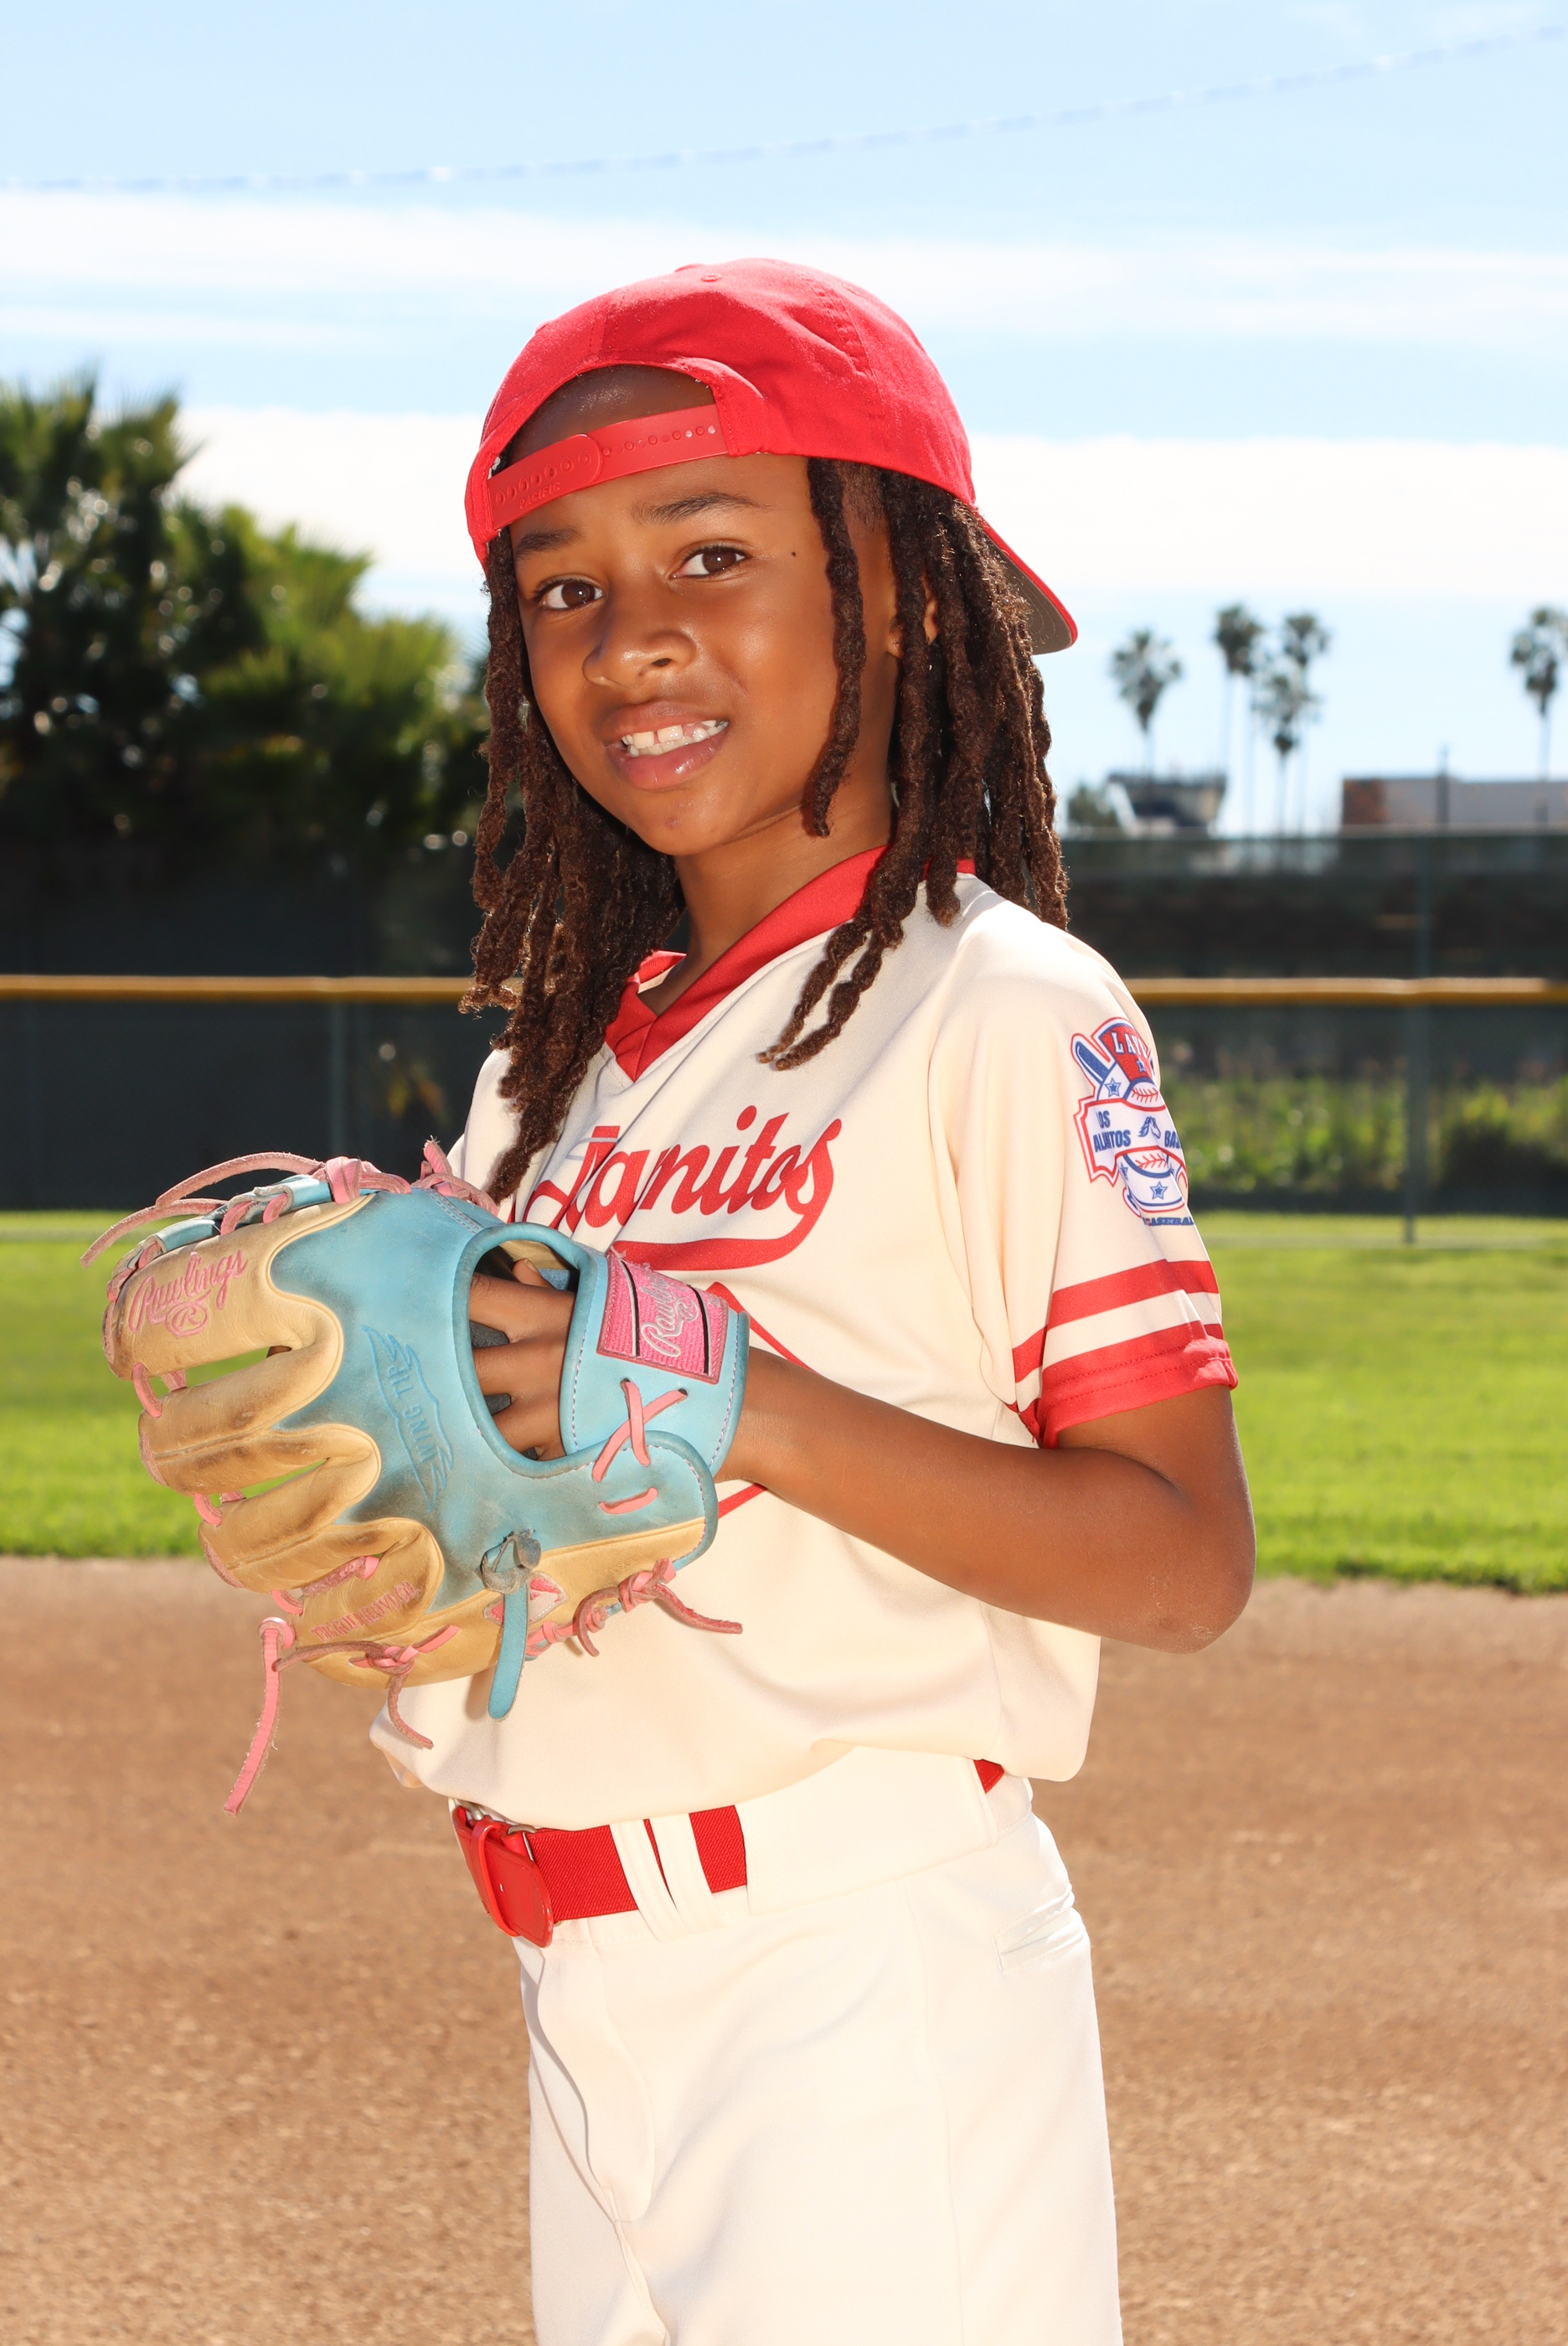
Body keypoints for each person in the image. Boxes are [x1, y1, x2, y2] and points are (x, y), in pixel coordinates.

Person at [377, 258, 1254, 2346]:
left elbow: (1179, 1558)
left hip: (861, 1977)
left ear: (910, 598)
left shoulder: (1000, 1005)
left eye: (711, 551)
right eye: (564, 587)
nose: (631, 636)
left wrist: (740, 1397)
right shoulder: (546, 1074)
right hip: (580, 1976)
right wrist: (376, 1496)